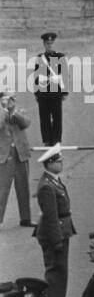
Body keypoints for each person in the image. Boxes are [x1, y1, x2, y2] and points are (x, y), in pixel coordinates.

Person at [33, 144, 76, 297]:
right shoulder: (46, 185)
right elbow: (50, 216)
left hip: (61, 230)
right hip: (55, 234)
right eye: (58, 161)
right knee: (56, 275)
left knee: (60, 274)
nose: (61, 164)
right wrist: (57, 240)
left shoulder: (52, 181)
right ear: (50, 164)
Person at [0, 90, 34, 227]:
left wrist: (13, 112)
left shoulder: (20, 111)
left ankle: (25, 218)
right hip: (5, 155)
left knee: (23, 188)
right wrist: (3, 110)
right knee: (2, 189)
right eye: (6, 98)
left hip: (21, 154)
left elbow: (25, 123)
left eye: (12, 98)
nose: (9, 101)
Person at [30, 31, 68, 146]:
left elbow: (65, 74)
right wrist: (36, 93)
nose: (50, 45)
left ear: (54, 43)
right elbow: (36, 75)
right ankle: (46, 140)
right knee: (44, 118)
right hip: (43, 93)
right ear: (44, 44)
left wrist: (64, 92)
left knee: (57, 117)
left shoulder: (60, 57)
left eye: (51, 43)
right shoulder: (39, 58)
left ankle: (56, 139)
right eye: (47, 43)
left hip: (56, 93)